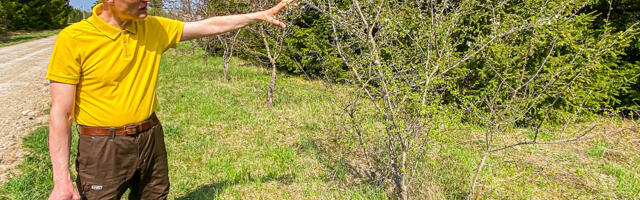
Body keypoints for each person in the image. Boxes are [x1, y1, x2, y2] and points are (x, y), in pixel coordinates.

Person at [46, 0, 295, 199]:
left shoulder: (153, 27)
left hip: (150, 136)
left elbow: (209, 26)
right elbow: (61, 114)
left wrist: (258, 16)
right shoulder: (74, 38)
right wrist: (61, 181)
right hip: (102, 146)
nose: (148, 0)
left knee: (156, 195)